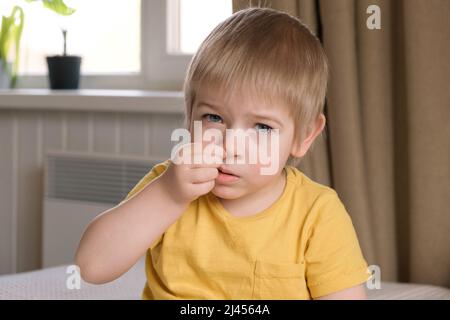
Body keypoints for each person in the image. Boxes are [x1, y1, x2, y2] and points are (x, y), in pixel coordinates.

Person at [75, 7, 371, 300]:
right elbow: (92, 267)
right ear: (190, 113)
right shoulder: (169, 186)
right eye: (213, 118)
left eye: (262, 127)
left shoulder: (317, 213)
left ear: (305, 136)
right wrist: (168, 195)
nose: (230, 146)